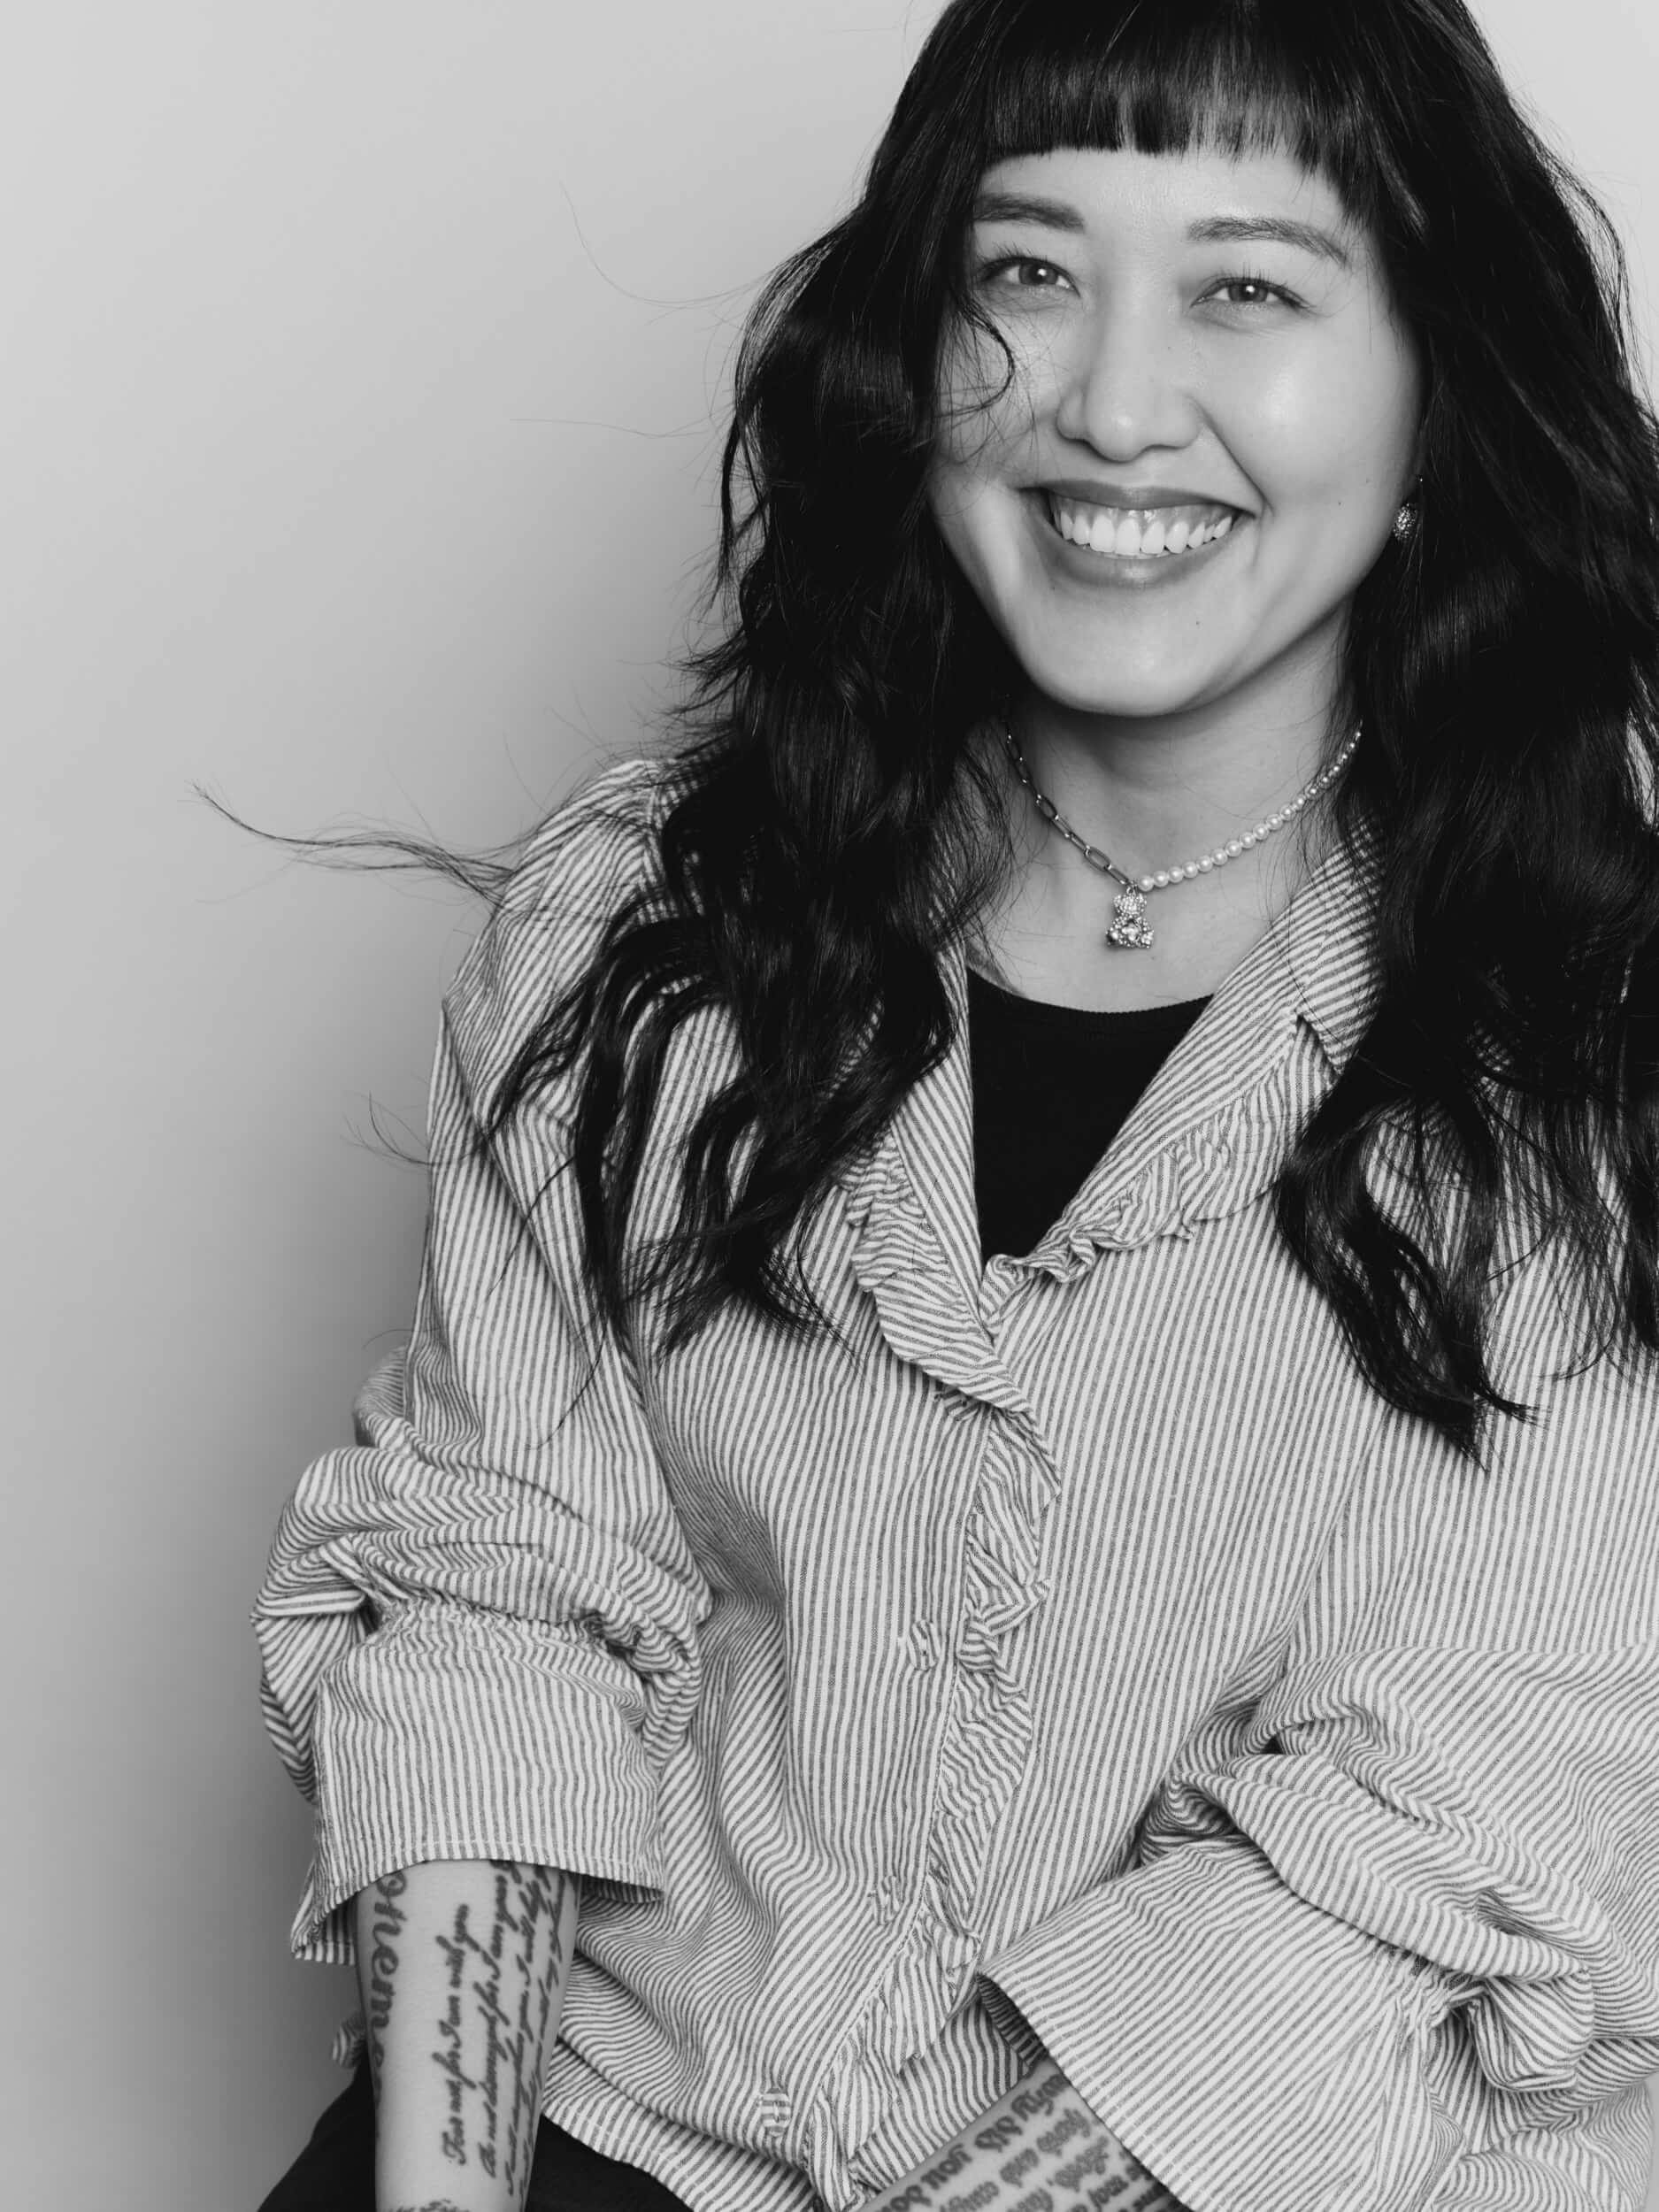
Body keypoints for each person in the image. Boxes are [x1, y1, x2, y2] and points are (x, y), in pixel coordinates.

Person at [252, 1, 1659, 2208]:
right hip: (621, 2117)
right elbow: (492, 1586)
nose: (1106, 398)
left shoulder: (1589, 1042)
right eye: (1025, 270)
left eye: (1244, 288)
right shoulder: (642, 921)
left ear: (1431, 406)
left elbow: (1442, 1847)